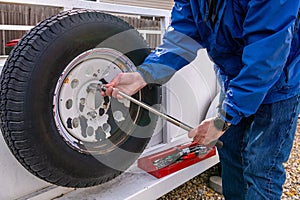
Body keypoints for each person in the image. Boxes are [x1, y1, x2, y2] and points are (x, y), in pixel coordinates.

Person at [103, 1, 300, 199]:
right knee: (231, 156)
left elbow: (266, 57)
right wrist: (143, 76)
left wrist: (224, 118)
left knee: (261, 167)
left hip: (280, 83)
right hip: (232, 78)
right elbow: (181, 38)